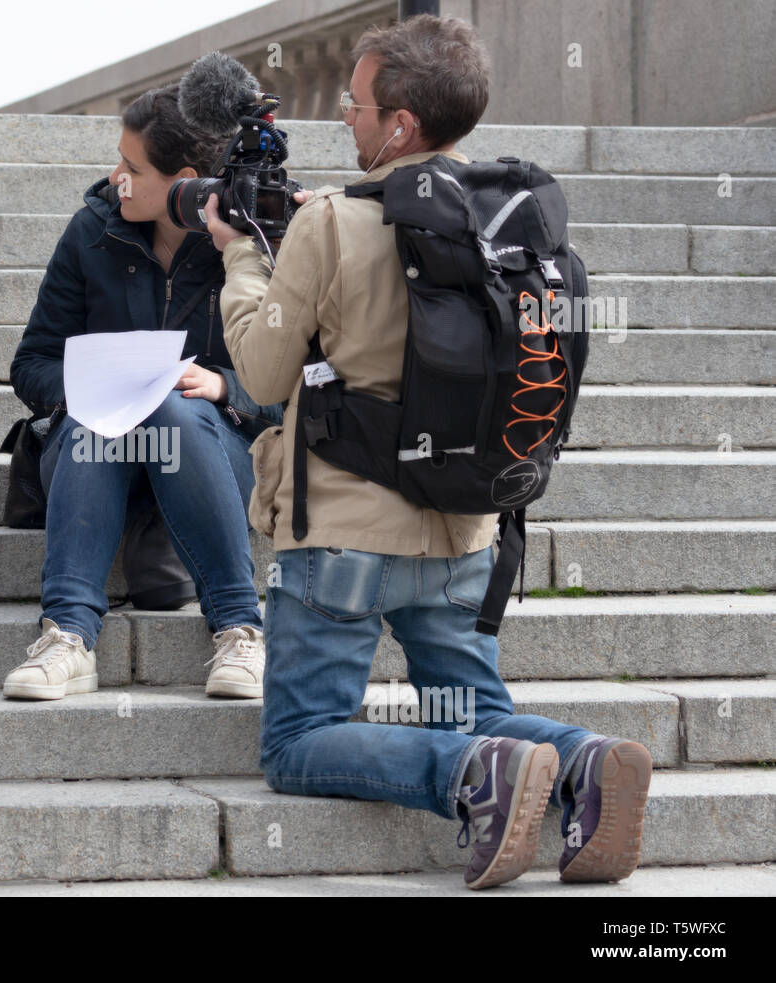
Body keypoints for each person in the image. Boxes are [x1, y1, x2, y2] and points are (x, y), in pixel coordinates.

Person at [205, 16, 652, 889]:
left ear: (400, 123)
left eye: (356, 102)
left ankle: (467, 775)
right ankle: (585, 760)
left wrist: (243, 264)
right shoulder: (507, 219)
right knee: (480, 709)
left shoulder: (333, 221)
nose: (345, 115)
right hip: (464, 527)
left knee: (298, 742)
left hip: (342, 536)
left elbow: (260, 374)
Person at [6, 83, 285, 701]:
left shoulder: (256, 243)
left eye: (131, 169)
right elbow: (32, 362)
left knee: (172, 407)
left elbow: (297, 389)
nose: (115, 178)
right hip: (94, 454)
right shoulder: (92, 231)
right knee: (96, 422)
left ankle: (240, 628)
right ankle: (67, 637)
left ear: (184, 180)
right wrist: (89, 385)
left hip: (213, 453)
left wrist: (223, 386)